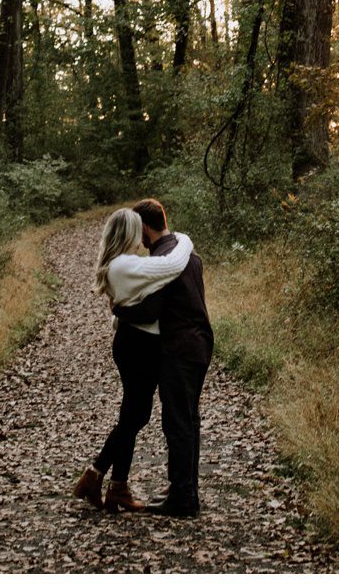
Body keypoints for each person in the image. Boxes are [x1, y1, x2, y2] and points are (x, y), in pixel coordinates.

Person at [74, 208, 194, 513]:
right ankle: (96, 474)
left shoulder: (121, 265)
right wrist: (185, 238)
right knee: (134, 416)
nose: (141, 236)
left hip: (135, 343)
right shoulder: (126, 265)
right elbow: (173, 264)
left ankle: (117, 487)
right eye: (136, 230)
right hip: (139, 347)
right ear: (129, 232)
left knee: (133, 415)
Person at [111, 197, 212, 517]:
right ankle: (187, 491)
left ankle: (182, 498)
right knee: (189, 421)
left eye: (138, 232)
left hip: (179, 348)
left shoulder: (164, 261)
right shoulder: (188, 255)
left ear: (144, 228)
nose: (138, 241)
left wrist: (119, 310)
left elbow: (152, 308)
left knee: (178, 424)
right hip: (200, 343)